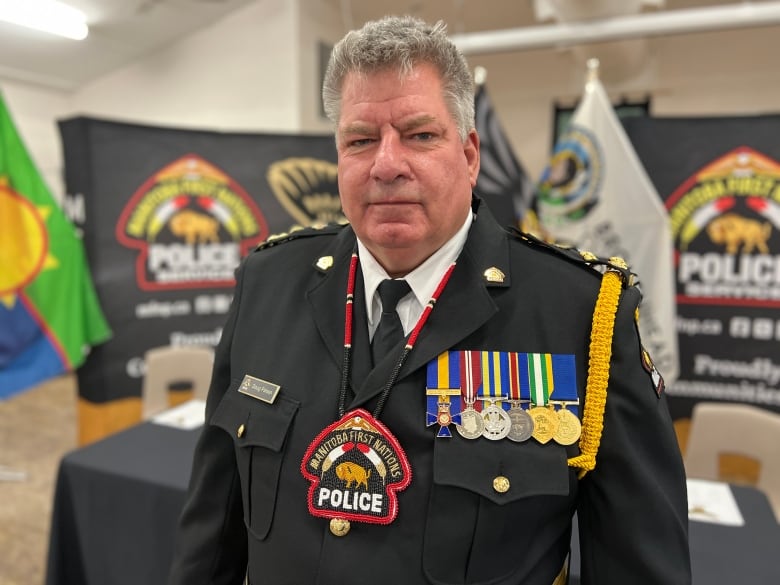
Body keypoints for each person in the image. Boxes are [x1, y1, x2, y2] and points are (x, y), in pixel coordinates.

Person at [168, 15, 690, 585]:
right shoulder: (267, 284)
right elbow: (212, 531)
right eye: (360, 140)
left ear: (469, 155)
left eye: (419, 135)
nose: (386, 164)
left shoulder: (579, 314)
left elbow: (640, 565)